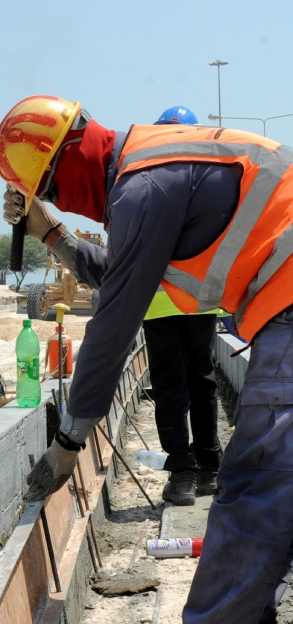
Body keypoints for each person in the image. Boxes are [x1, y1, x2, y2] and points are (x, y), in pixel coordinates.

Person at [0, 94, 293, 623]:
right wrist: (52, 234)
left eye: (53, 189)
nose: (60, 200)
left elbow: (113, 320)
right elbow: (124, 273)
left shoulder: (143, 185)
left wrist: (70, 440)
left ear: (72, 151)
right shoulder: (146, 170)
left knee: (255, 485)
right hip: (282, 307)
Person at [141, 106, 222, 506]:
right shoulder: (211, 178)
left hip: (159, 301)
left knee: (172, 385)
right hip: (201, 298)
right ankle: (209, 468)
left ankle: (183, 472)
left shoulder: (146, 177)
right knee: (201, 379)